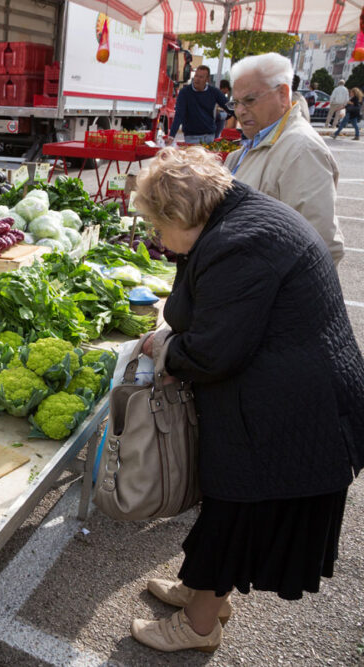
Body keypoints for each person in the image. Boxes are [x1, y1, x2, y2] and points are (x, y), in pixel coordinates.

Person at [129, 146, 364, 654]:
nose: (158, 241)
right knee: (228, 505)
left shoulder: (240, 242)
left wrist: (168, 350)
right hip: (287, 389)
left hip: (298, 408)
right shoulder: (234, 217)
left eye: (157, 228)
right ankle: (202, 587)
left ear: (181, 214)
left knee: (238, 507)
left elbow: (215, 353)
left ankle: (199, 624)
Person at [225, 54, 344, 265]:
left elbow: (320, 243)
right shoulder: (260, 140)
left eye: (250, 100)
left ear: (282, 94)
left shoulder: (301, 150)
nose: (240, 111)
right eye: (236, 103)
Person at [168, 65, 232, 144]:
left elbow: (229, 106)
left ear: (207, 79)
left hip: (208, 137)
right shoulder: (184, 93)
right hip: (191, 137)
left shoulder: (214, 92)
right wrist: (171, 136)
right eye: (196, 76)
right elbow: (179, 115)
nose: (197, 79)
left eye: (201, 77)